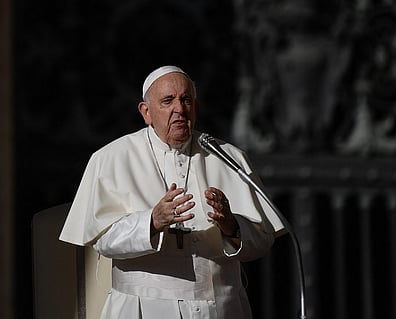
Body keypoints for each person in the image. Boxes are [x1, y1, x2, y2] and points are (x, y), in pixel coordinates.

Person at [59, 65, 284, 319]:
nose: (180, 109)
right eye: (168, 101)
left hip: (221, 309)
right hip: (142, 309)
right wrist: (151, 222)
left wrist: (232, 226)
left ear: (195, 108)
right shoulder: (111, 158)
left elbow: (263, 242)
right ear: (146, 112)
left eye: (186, 100)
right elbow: (102, 241)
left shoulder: (228, 157)